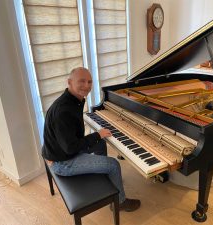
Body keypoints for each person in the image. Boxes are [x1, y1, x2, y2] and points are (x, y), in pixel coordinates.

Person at [41, 67, 140, 212]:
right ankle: (119, 202)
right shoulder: (63, 111)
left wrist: (98, 136)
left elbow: (72, 139)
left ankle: (106, 176)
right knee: (113, 164)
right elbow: (71, 148)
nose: (87, 86)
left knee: (100, 143)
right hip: (63, 162)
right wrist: (97, 134)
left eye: (89, 82)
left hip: (60, 151)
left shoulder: (72, 100)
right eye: (82, 81)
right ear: (69, 82)